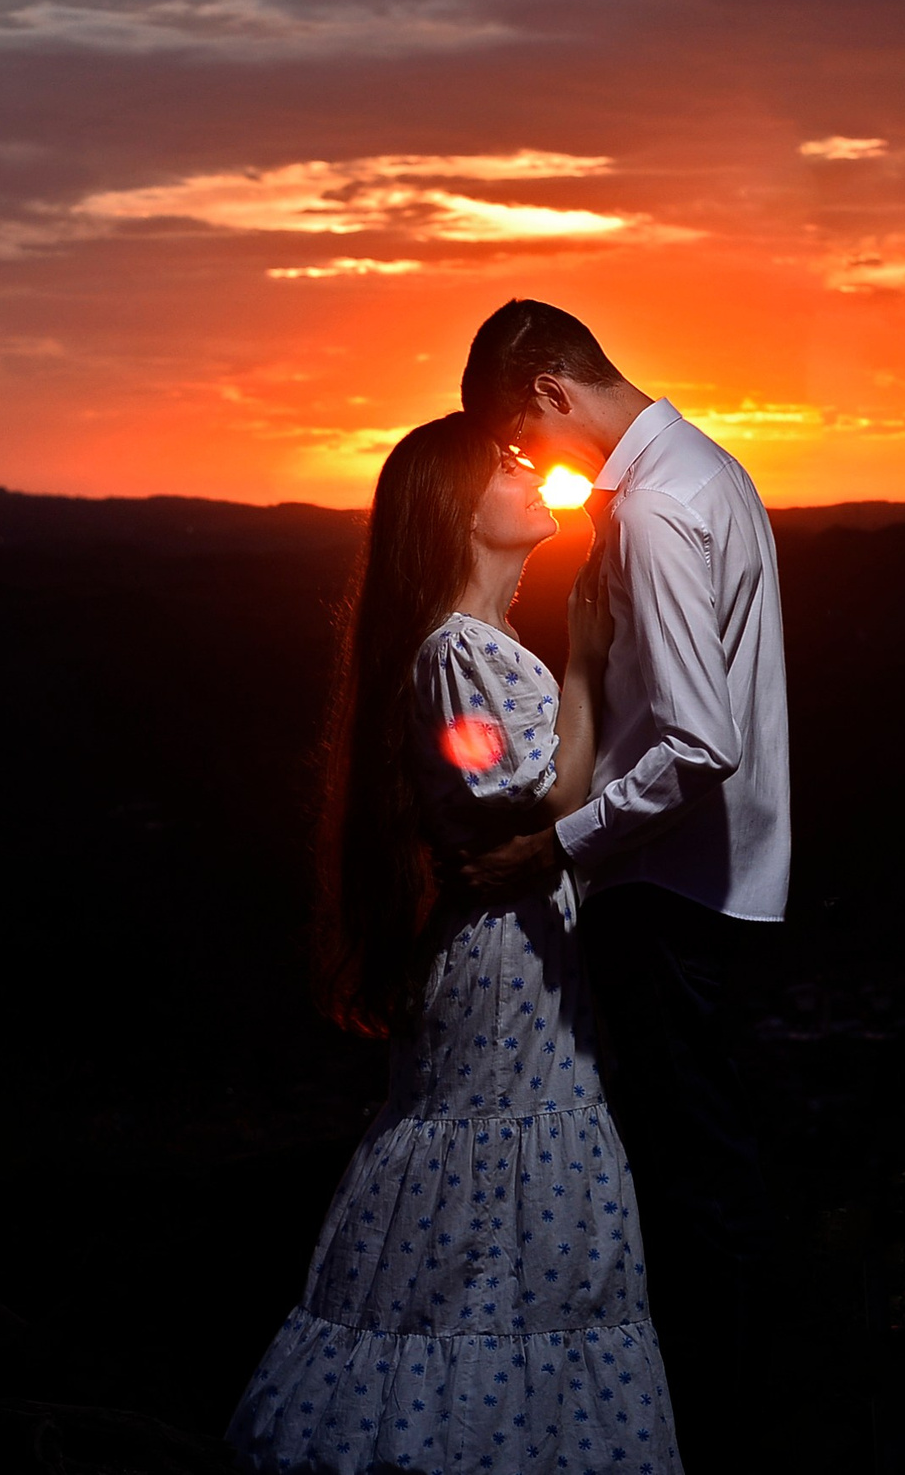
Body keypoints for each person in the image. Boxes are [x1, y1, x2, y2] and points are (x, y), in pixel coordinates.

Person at [226, 412, 682, 1473]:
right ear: (455, 506)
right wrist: (584, 664)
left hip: (529, 960)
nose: (535, 476)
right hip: (502, 968)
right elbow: (521, 796)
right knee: (488, 1196)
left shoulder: (476, 649)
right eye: (508, 465)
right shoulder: (454, 656)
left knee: (515, 1209)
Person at [457, 300, 791, 1475]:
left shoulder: (652, 506)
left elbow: (699, 744)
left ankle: (721, 1428)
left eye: (517, 434)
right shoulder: (706, 469)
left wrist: (559, 847)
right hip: (710, 880)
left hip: (669, 887)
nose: (525, 463)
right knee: (714, 1163)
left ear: (550, 387)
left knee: (697, 1179)